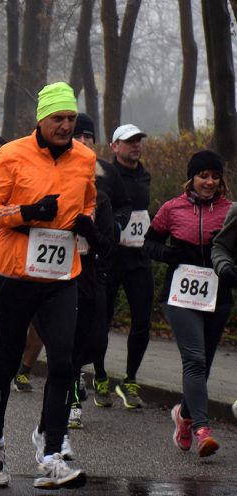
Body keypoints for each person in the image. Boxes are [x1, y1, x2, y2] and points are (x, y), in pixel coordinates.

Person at [0, 82, 95, 490]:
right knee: (7, 364)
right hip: (16, 274)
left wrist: (87, 222)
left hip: (62, 276)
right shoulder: (10, 155)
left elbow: (89, 200)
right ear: (40, 120)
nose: (65, 126)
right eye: (57, 118)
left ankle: (50, 448)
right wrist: (24, 212)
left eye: (71, 119)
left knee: (64, 362)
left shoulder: (85, 158)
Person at [147, 151, 232, 457]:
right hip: (180, 296)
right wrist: (168, 254)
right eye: (203, 176)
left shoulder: (230, 211)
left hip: (218, 295)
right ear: (191, 178)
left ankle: (183, 416)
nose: (209, 182)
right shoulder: (172, 208)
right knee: (194, 360)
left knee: (205, 363)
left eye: (214, 176)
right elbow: (149, 242)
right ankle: (202, 430)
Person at [70, 113, 132, 410]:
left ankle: (82, 374)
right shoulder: (53, 173)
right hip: (58, 270)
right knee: (65, 337)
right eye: (77, 136)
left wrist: (113, 225)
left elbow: (123, 205)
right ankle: (70, 399)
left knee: (95, 336)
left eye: (88, 137)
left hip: (95, 267)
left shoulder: (106, 176)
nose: (83, 141)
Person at [104, 123, 152, 409]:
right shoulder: (107, 175)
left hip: (139, 258)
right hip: (111, 258)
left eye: (138, 140)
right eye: (129, 141)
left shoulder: (144, 174)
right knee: (102, 320)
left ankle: (130, 380)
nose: (135, 145)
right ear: (115, 146)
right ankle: (99, 377)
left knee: (142, 321)